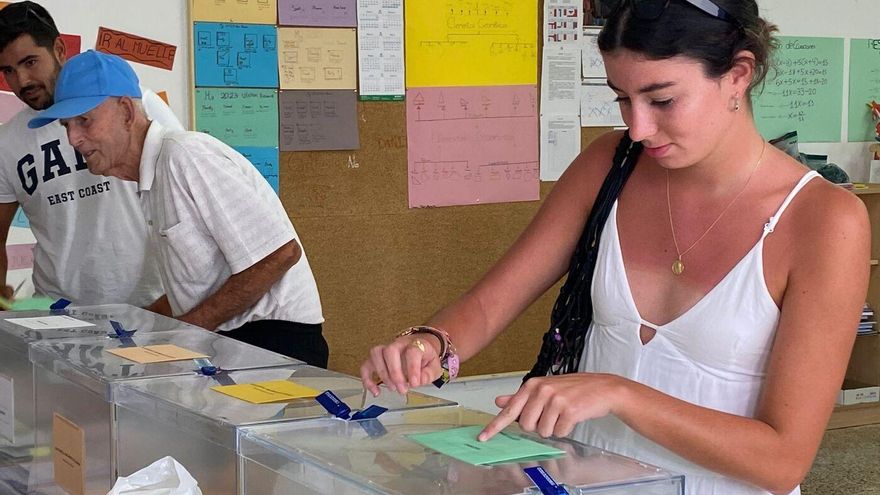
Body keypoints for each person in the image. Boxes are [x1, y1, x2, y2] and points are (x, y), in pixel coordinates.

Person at [360, 1, 870, 493]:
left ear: (738, 74)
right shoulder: (612, 164)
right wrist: (431, 344)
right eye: (622, 98)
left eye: (662, 99)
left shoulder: (824, 220)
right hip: (584, 481)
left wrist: (621, 394)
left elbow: (781, 462)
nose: (638, 127)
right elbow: (492, 303)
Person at [29, 50, 329, 367]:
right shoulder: (151, 180)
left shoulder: (184, 155)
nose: (73, 138)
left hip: (276, 341)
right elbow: (193, 289)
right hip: (232, 341)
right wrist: (121, 326)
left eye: (84, 121)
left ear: (127, 113)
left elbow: (281, 254)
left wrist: (184, 333)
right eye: (66, 126)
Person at [0, 1, 182, 306]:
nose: (22, 81)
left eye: (30, 62)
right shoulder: (7, 142)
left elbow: (185, 202)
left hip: (154, 306)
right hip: (58, 318)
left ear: (59, 50)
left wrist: (176, 301)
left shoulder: (137, 105)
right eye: (8, 70)